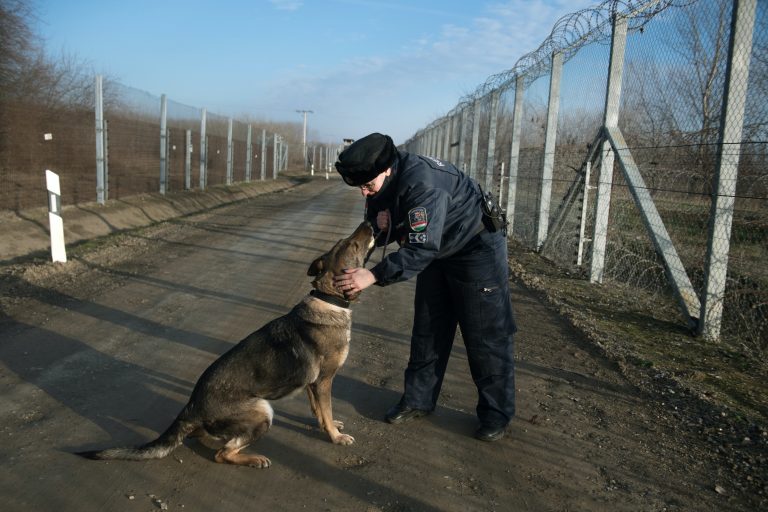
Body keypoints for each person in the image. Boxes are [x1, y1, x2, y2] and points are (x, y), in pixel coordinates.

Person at [332, 132, 517, 442]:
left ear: (387, 169)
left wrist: (373, 275)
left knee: (485, 334)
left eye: (368, 186)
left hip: (475, 248)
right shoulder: (379, 179)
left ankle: (495, 413)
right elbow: (391, 224)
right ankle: (418, 400)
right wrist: (383, 226)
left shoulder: (423, 184)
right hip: (437, 248)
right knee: (429, 327)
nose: (365, 193)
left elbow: (420, 250)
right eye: (361, 188)